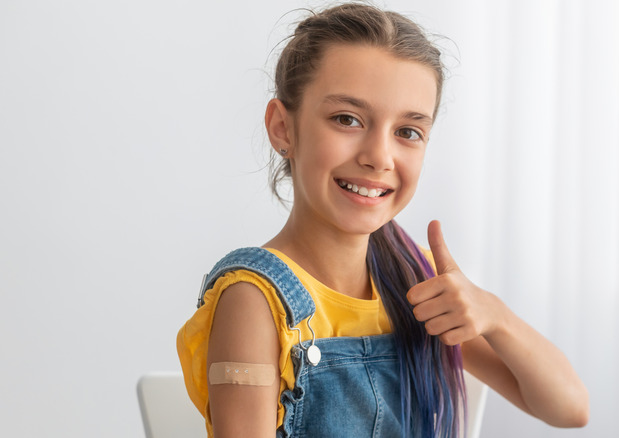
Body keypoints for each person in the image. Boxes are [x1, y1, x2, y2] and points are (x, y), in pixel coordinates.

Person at [177, 3, 589, 437]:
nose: (379, 156)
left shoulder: (417, 282)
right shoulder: (255, 301)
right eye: (347, 119)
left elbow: (569, 408)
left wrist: (495, 316)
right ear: (283, 128)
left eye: (407, 132)